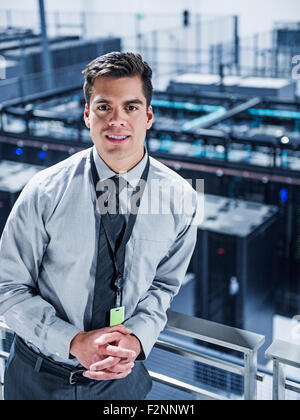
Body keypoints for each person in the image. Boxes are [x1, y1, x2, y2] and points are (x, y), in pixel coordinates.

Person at [0, 52, 198, 400]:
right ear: (87, 115)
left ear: (148, 116)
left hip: (124, 382)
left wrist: (137, 337)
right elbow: (6, 287)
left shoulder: (180, 198)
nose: (116, 120)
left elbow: (164, 285)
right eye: (104, 107)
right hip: (38, 379)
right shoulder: (45, 192)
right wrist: (72, 341)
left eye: (131, 107)